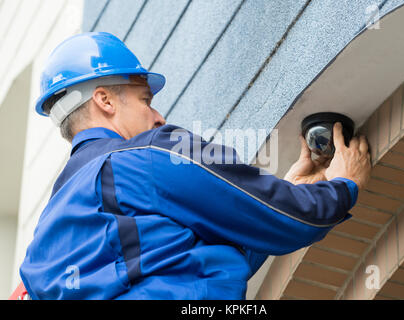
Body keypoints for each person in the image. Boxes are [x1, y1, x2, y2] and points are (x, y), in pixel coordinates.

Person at [19, 32, 371, 300]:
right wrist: (341, 186)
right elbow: (289, 218)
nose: (158, 117)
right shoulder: (149, 156)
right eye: (146, 101)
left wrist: (291, 187)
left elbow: (182, 266)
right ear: (105, 100)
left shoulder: (39, 248)